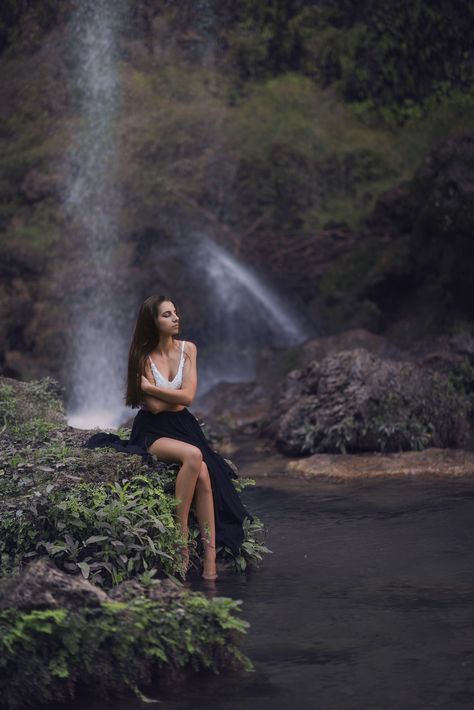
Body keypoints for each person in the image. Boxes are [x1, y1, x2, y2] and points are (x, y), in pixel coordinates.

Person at [86, 294, 252, 581]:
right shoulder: (141, 355)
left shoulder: (189, 349)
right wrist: (162, 396)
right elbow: (154, 408)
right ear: (152, 321)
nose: (176, 318)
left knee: (202, 472)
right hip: (152, 430)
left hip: (185, 427)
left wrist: (148, 387)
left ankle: (210, 562)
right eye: (166, 314)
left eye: (175, 312)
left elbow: (187, 398)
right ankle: (181, 541)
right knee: (193, 456)